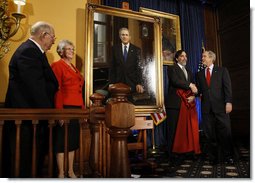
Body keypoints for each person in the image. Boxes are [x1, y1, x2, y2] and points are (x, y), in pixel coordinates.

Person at [4, 21, 58, 177]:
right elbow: (35, 88)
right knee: (24, 163)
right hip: (27, 119)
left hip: (31, 118)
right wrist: (49, 115)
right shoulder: (29, 51)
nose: (54, 41)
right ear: (44, 35)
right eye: (53, 37)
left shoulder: (33, 51)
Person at [51, 40, 84, 178]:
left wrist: (82, 109)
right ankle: (61, 174)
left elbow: (79, 90)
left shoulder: (74, 67)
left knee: (72, 142)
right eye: (68, 49)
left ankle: (70, 171)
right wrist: (60, 112)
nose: (72, 51)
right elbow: (57, 90)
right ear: (61, 51)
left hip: (76, 109)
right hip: (64, 108)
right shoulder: (57, 66)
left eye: (72, 49)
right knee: (60, 142)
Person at [196, 50, 236, 164]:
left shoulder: (222, 71)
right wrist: (195, 92)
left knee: (225, 132)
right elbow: (200, 91)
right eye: (202, 56)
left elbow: (227, 87)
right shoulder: (199, 74)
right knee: (210, 135)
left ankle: (228, 156)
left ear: (211, 58)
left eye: (204, 56)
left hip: (221, 107)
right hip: (206, 109)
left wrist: (229, 102)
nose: (202, 58)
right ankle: (214, 158)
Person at [164, 50, 199, 160]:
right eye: (182, 56)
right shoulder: (171, 68)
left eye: (186, 56)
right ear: (177, 58)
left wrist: (193, 96)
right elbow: (175, 81)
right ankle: (171, 154)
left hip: (186, 103)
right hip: (174, 104)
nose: (185, 58)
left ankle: (182, 151)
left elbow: (193, 87)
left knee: (183, 130)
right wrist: (190, 85)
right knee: (173, 130)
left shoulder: (188, 71)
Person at [109, 27, 144, 99]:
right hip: (118, 82)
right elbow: (112, 67)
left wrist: (139, 83)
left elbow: (139, 68)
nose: (124, 36)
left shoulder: (136, 50)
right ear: (120, 36)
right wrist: (111, 83)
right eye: (122, 35)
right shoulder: (115, 49)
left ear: (129, 37)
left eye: (126, 35)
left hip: (132, 83)